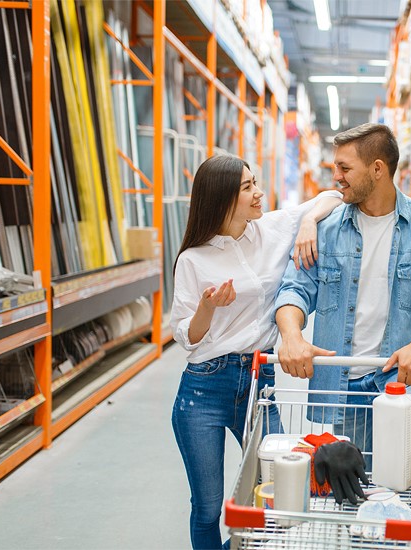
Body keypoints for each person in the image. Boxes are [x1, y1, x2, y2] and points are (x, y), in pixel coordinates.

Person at [273, 123, 411, 496]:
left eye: (345, 168)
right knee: (346, 497)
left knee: (401, 496)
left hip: (400, 386)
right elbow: (294, 289)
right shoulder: (325, 229)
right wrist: (292, 335)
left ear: (378, 169)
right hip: (339, 386)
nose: (336, 178)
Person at [170, 154, 342, 550]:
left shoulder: (273, 228)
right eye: (247, 187)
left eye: (254, 183)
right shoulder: (193, 260)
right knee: (209, 507)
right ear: (223, 198)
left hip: (259, 384)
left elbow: (331, 195)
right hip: (204, 389)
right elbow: (186, 337)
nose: (258, 193)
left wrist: (309, 222)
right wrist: (207, 308)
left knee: (282, 489)